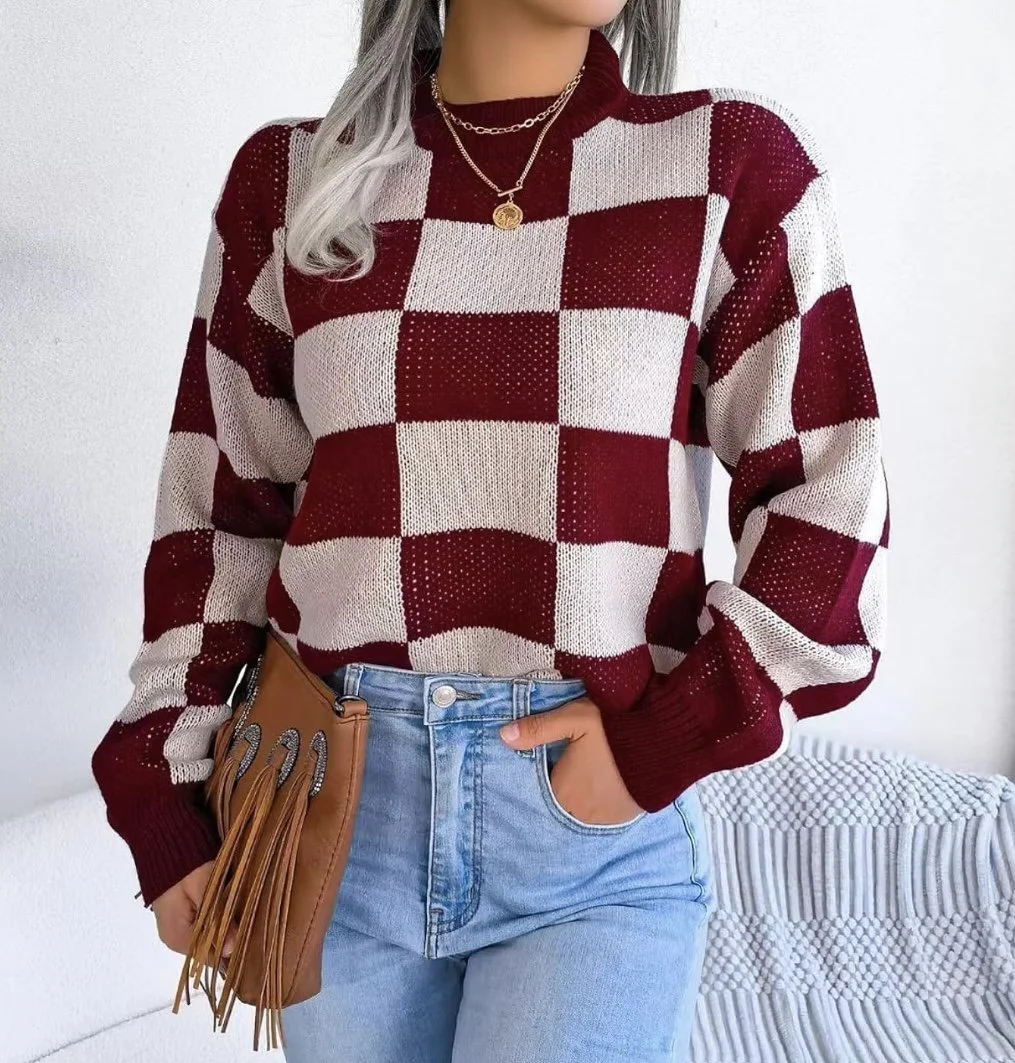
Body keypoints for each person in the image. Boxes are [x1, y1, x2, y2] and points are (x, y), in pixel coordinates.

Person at [91, 1, 889, 1060]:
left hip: (589, 842)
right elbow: (217, 516)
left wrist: (662, 741)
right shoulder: (291, 184)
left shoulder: (724, 166)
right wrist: (164, 782)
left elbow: (831, 497)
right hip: (329, 810)